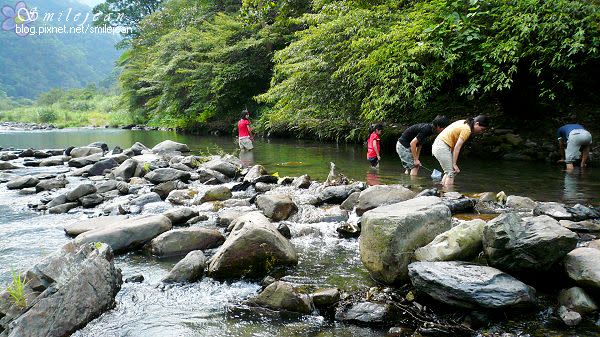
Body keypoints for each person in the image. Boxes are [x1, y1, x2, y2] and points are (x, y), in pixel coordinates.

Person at [432, 115, 490, 186]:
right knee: (451, 173)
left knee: (449, 172)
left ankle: (443, 191)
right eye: (482, 129)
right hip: (441, 146)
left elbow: (453, 142)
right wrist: (454, 164)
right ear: (477, 124)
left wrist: (453, 163)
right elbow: (457, 147)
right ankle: (448, 194)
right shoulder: (467, 129)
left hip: (440, 145)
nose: (481, 132)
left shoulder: (464, 122)